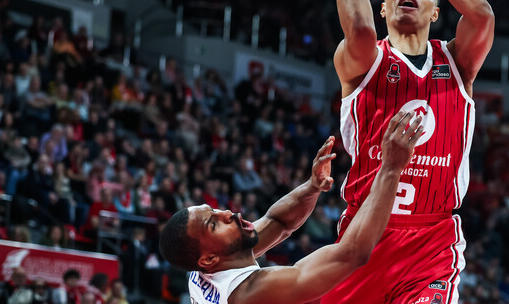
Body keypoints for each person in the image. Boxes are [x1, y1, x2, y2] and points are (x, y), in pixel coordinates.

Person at [282, 0, 494, 303]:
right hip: (362, 240)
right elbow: (359, 27)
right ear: (384, 6)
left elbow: (482, 14)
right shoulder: (364, 59)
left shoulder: (458, 63)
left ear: (436, 10)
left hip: (432, 241)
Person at [159, 111, 423, 304]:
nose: (227, 213)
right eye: (214, 223)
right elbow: (352, 253)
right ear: (208, 260)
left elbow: (279, 222)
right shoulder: (249, 294)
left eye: (214, 210)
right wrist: (391, 168)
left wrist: (312, 187)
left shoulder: (204, 266)